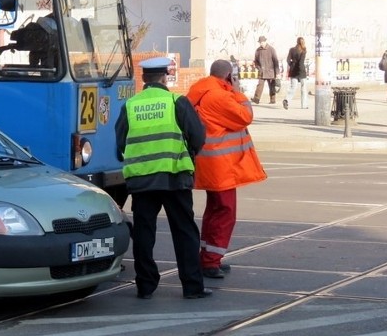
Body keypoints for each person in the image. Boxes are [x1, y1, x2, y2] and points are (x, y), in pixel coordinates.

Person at [114, 56, 210, 300]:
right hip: (174, 177)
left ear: (144, 79)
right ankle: (192, 287)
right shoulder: (176, 101)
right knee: (184, 231)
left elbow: (120, 144)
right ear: (165, 77)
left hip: (142, 181)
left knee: (144, 233)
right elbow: (198, 136)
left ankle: (145, 285)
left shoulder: (131, 105)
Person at [186, 60, 267, 279]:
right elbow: (245, 116)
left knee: (214, 211)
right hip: (220, 167)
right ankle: (210, 262)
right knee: (225, 213)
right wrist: (239, 93)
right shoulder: (219, 96)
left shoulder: (200, 91)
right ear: (229, 76)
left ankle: (208, 257)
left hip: (209, 163)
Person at [252, 36, 280, 105]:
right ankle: (256, 99)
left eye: (262, 42)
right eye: (260, 42)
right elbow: (256, 61)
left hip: (270, 71)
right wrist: (258, 68)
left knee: (271, 85)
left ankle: (272, 100)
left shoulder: (271, 49)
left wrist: (277, 72)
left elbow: (276, 61)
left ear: (265, 41)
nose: (261, 43)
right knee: (260, 85)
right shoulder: (258, 50)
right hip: (262, 71)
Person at [283, 37, 308, 109]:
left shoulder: (292, 49)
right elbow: (301, 62)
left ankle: (286, 100)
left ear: (297, 42)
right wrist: (300, 70)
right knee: (303, 88)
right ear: (303, 43)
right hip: (301, 71)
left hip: (293, 70)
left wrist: (292, 65)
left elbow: (288, 60)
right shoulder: (303, 50)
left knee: (293, 87)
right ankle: (304, 105)